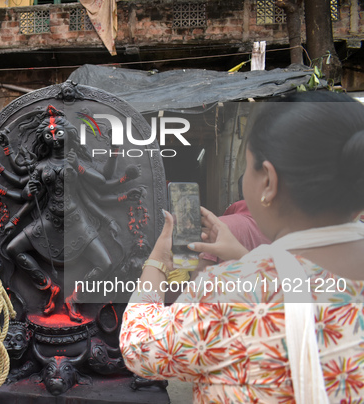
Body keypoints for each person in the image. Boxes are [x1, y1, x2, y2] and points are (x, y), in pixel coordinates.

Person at [120, 91, 364, 403]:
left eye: (247, 165)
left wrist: (157, 262)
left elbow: (140, 348)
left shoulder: (228, 292)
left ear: (269, 182)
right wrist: (244, 256)